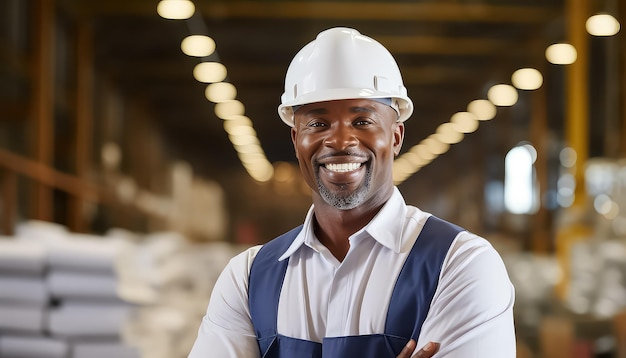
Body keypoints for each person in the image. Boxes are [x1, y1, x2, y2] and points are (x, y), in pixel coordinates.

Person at [188, 27, 515, 357]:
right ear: (296, 140)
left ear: (397, 136)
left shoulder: (460, 265)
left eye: (362, 121)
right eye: (318, 123)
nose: (341, 141)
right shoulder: (248, 279)